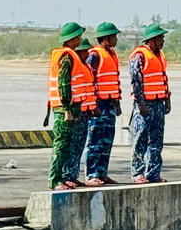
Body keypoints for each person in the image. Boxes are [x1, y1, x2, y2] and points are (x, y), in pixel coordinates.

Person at [46, 21, 87, 190]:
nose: (80, 39)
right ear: (72, 39)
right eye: (78, 36)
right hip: (65, 108)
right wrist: (67, 109)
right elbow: (64, 84)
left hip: (72, 107)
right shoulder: (66, 56)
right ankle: (55, 180)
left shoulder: (71, 54)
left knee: (68, 144)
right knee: (61, 144)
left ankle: (62, 178)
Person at [129, 23, 171, 184]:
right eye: (160, 38)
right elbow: (136, 81)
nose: (162, 41)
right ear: (151, 40)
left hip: (159, 103)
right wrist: (141, 104)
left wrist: (167, 100)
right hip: (145, 105)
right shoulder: (139, 56)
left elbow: (162, 79)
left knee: (156, 141)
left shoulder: (159, 56)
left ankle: (153, 172)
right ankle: (138, 173)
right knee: (140, 139)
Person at [83, 22, 123, 186]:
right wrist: (93, 105)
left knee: (107, 140)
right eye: (113, 36)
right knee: (95, 141)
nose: (116, 39)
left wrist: (117, 102)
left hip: (110, 104)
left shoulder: (112, 54)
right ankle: (92, 174)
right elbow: (89, 80)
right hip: (98, 105)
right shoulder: (95, 55)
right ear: (105, 38)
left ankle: (102, 173)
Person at [65, 38, 99, 186]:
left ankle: (73, 175)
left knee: (79, 145)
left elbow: (88, 90)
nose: (87, 53)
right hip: (78, 111)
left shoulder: (84, 66)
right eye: (85, 51)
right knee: (72, 145)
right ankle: (67, 176)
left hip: (86, 112)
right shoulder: (75, 66)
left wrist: (92, 108)